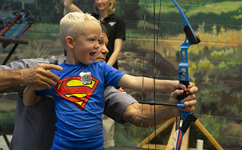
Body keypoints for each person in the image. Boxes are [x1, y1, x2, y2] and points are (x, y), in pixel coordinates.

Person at [0, 23, 197, 150]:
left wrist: (173, 107)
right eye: (95, 41)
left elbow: (137, 113)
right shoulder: (40, 67)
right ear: (73, 43)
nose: (104, 48)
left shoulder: (100, 80)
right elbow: (28, 92)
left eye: (103, 42)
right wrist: (23, 76)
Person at [64, 0, 125, 69]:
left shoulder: (118, 21)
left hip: (108, 67)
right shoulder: (90, 18)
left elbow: (117, 50)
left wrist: (106, 68)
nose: (99, 1)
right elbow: (68, 4)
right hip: (90, 67)